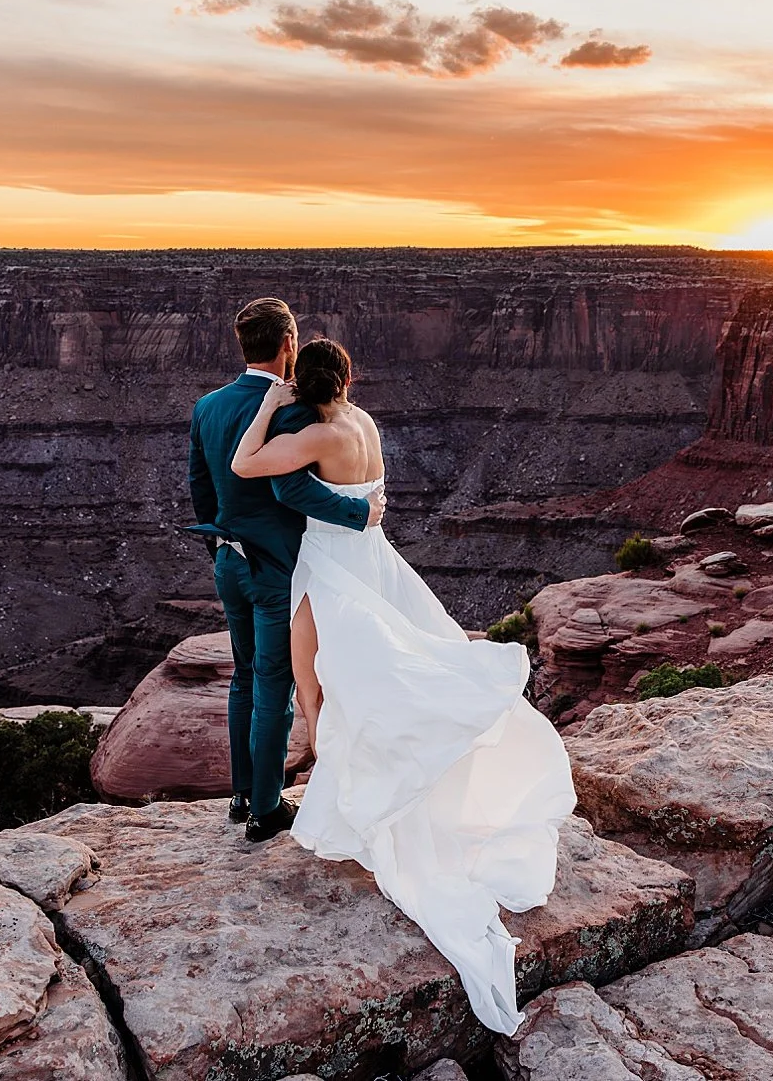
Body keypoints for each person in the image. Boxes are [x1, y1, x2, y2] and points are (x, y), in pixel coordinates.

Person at [230, 336, 575, 1036]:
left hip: (332, 567)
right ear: (349, 379)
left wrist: (270, 400)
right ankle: (348, 780)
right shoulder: (362, 423)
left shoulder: (318, 431)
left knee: (320, 680)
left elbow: (244, 464)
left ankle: (343, 787)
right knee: (381, 675)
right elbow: (367, 496)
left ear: (305, 388)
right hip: (375, 559)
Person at [187, 298, 385, 844]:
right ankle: (265, 809)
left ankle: (240, 794)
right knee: (274, 683)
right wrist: (358, 512)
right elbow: (290, 487)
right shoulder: (295, 410)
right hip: (279, 568)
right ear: (289, 344)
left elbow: (201, 492)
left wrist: (225, 552)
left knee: (244, 677)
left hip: (230, 559)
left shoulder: (208, 407)